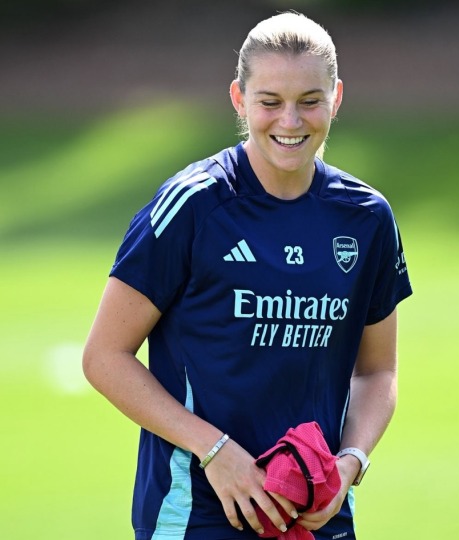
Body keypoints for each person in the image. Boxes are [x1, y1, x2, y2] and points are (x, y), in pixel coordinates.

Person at [83, 10, 412, 540]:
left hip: (317, 517)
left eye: (310, 101)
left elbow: (377, 372)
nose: (291, 121)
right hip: (198, 515)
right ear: (239, 99)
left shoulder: (367, 218)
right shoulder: (192, 206)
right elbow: (104, 357)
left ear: (336, 98)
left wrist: (350, 463)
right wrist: (214, 450)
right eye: (270, 102)